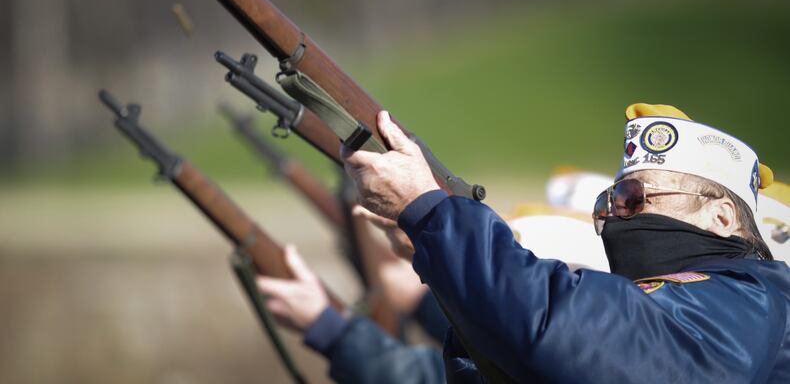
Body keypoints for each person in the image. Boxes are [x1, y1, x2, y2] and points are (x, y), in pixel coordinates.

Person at [260, 103, 790, 383]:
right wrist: (438, 256)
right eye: (612, 200)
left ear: (723, 215)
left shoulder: (751, 300)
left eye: (634, 197)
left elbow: (567, 327)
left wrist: (433, 215)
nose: (615, 216)